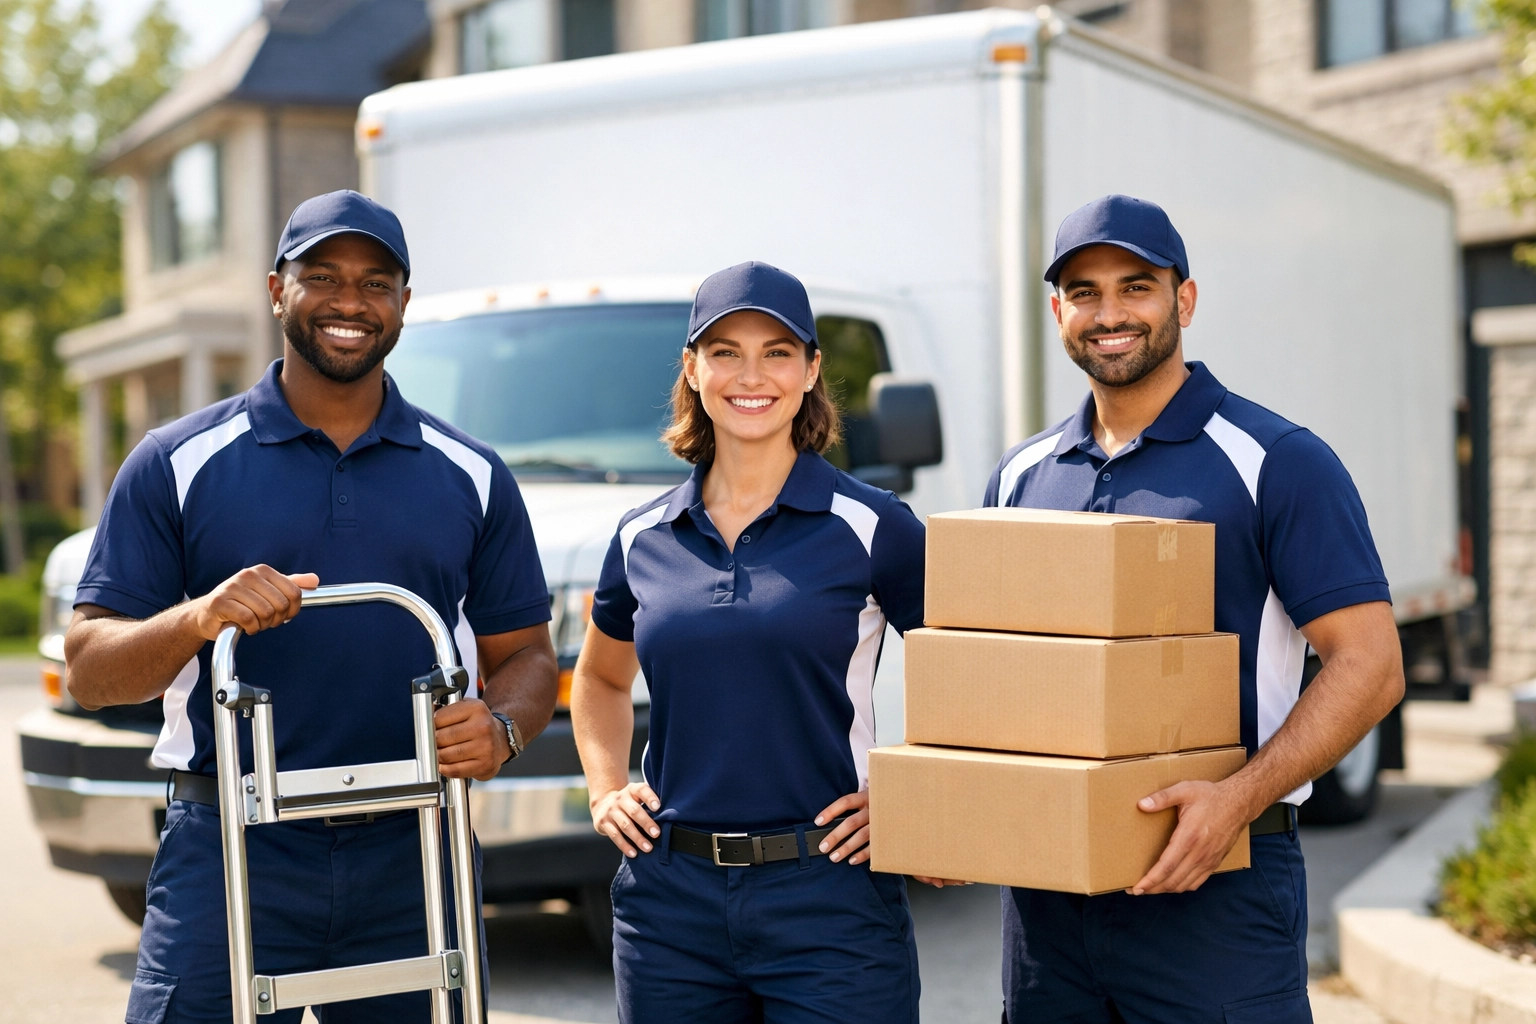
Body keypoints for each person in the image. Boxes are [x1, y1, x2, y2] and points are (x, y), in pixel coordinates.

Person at [65, 190, 559, 1023]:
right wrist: (198, 617)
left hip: (416, 842)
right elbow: (90, 673)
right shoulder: (175, 463)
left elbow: (528, 657)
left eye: (376, 283)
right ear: (275, 290)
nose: (349, 302)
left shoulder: (470, 473)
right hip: (230, 842)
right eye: (322, 276)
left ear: (404, 302)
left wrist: (504, 725)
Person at [981, 194, 1406, 1023]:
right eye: (1085, 292)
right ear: (1057, 310)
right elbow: (1000, 665)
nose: (1110, 314)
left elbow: (1371, 665)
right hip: (1048, 906)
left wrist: (1237, 801)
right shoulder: (1020, 477)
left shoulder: (1277, 461)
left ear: (1185, 299)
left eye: (1136, 287)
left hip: (1218, 888)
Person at [571, 262, 926, 1024]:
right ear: (694, 370)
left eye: (777, 351)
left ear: (810, 372)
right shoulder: (642, 536)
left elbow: (981, 675)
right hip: (670, 906)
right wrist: (605, 789)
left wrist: (914, 798)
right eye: (726, 351)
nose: (751, 374)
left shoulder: (873, 527)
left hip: (829, 896)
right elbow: (598, 681)